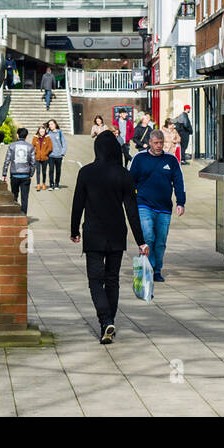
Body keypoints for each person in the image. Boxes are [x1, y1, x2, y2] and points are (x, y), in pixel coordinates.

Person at [70, 130, 149, 345]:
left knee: (95, 281)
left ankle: (105, 321)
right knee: (112, 280)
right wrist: (141, 241)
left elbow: (78, 203)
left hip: (94, 233)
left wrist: (74, 230)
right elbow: (132, 210)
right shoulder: (124, 175)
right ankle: (109, 322)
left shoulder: (86, 173)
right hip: (116, 234)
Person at [128, 129, 185, 283]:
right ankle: (147, 268)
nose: (159, 146)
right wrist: (128, 201)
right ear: (150, 143)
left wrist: (181, 202)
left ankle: (157, 270)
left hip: (164, 207)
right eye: (156, 143)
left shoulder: (171, 160)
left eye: (161, 143)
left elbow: (179, 181)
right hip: (143, 204)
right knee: (148, 237)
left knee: (160, 242)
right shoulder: (139, 158)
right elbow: (129, 181)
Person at [1, 127, 35, 214]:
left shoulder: (12, 146)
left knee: (14, 195)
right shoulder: (30, 147)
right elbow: (33, 162)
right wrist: (31, 173)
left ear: (17, 135)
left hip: (14, 174)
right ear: (26, 136)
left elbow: (7, 160)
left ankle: (14, 215)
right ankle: (23, 215)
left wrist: (4, 174)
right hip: (26, 175)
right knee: (24, 198)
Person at [46, 118, 67, 190]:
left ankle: (57, 184)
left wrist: (63, 152)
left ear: (55, 124)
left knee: (58, 170)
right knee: (51, 170)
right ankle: (51, 184)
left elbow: (64, 143)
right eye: (49, 124)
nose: (50, 126)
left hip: (58, 155)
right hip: (50, 155)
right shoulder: (48, 133)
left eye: (51, 124)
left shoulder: (59, 132)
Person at [32, 124, 52, 192]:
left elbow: (50, 147)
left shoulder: (47, 138)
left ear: (45, 131)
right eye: (41, 131)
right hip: (37, 157)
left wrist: (45, 153)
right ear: (38, 131)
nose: (42, 133)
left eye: (43, 131)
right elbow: (32, 146)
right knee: (38, 171)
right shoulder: (35, 137)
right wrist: (36, 151)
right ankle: (38, 184)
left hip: (45, 158)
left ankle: (43, 183)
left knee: (44, 172)